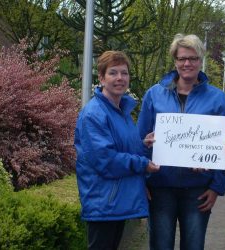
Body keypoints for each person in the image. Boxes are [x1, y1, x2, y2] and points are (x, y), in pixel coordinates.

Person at [137, 33, 225, 250]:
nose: (187, 63)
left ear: (201, 60)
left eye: (192, 58)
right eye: (182, 58)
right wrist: (142, 179)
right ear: (175, 61)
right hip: (160, 188)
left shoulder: (218, 99)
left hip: (198, 190)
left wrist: (217, 187)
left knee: (193, 246)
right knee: (160, 246)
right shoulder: (154, 95)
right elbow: (139, 142)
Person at [74, 51, 160, 250]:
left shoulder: (121, 111)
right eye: (113, 73)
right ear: (102, 78)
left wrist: (142, 145)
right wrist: (143, 164)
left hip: (115, 201)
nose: (120, 78)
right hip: (103, 202)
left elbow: (122, 147)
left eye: (124, 73)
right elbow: (106, 160)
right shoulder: (94, 114)